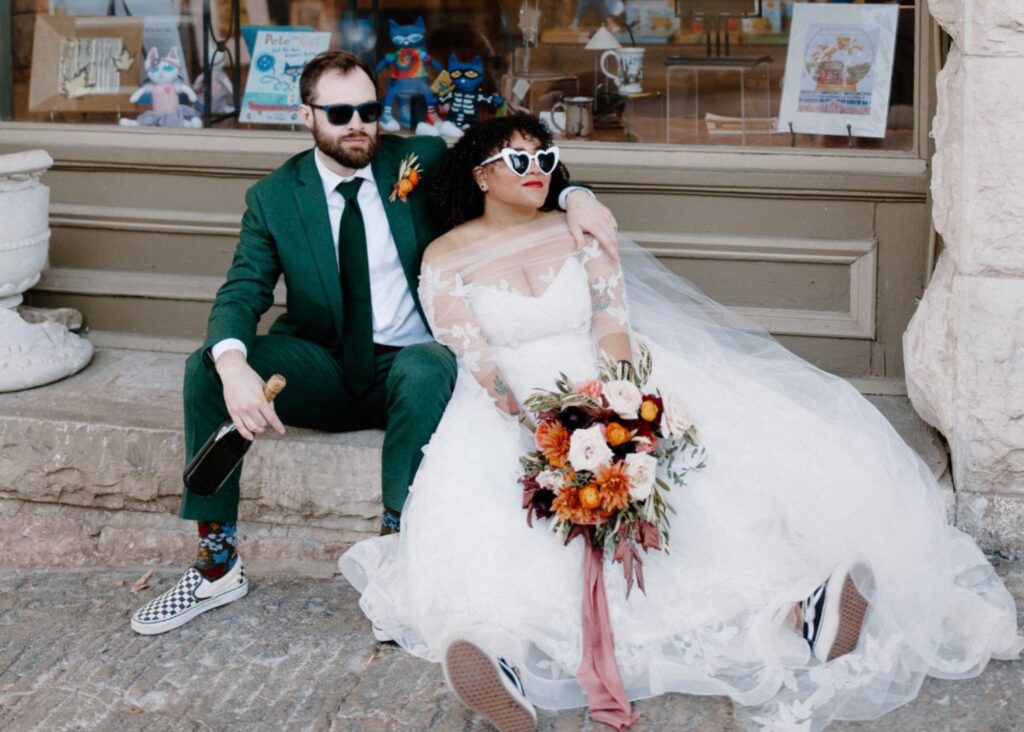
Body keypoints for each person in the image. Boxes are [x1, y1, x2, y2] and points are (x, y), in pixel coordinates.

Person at [339, 114, 1023, 731]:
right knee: (506, 527)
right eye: (519, 162)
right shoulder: (446, 255)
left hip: (604, 382)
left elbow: (612, 325)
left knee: (697, 494)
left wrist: (619, 411)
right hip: (508, 404)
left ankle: (800, 606)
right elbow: (476, 359)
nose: (538, 173)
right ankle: (497, 654)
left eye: (546, 159)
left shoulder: (580, 226)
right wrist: (543, 434)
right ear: (481, 173)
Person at [130, 52, 619, 636]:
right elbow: (242, 290)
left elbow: (519, 170)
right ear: (306, 116)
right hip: (324, 365)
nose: (358, 123)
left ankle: (396, 557)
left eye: (368, 109)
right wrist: (233, 363)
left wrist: (576, 194)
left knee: (427, 362)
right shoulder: (274, 198)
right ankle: (217, 566)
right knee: (208, 364)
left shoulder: (421, 160)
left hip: (410, 369)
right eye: (340, 112)